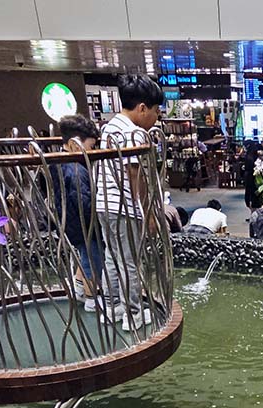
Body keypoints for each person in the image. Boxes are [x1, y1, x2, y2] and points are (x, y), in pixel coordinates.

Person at [97, 74, 162, 331]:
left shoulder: (109, 127)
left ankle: (112, 308)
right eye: (156, 111)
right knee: (130, 262)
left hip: (104, 204)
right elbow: (135, 175)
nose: (157, 118)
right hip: (124, 207)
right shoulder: (134, 133)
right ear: (142, 108)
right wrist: (147, 212)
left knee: (112, 258)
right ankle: (133, 315)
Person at [50, 115, 103, 312]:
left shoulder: (57, 161)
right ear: (76, 143)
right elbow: (84, 201)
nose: (92, 151)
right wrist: (97, 221)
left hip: (67, 221)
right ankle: (92, 298)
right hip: (83, 223)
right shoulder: (76, 169)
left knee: (83, 254)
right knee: (92, 258)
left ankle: (79, 289)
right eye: (91, 146)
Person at [242, 140, 263, 213]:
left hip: (250, 178)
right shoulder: (255, 154)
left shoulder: (249, 155)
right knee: (254, 196)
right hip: (255, 178)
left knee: (250, 195)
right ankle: (255, 212)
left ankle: (253, 213)